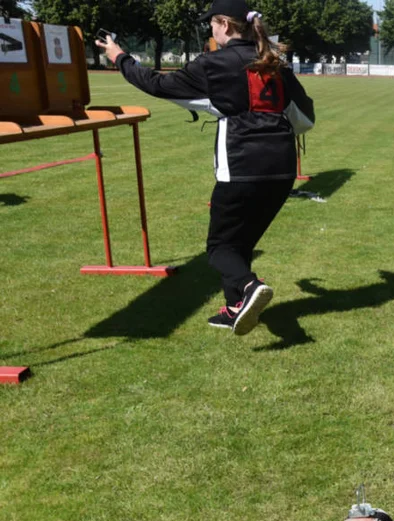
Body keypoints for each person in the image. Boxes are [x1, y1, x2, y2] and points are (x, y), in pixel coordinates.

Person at [96, 0, 315, 335]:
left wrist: (119, 57)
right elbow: (306, 115)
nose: (210, 31)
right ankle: (234, 308)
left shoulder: (215, 62)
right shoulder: (274, 63)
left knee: (219, 248)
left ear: (224, 24)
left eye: (211, 24)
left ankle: (248, 287)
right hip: (283, 167)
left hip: (242, 165)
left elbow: (157, 84)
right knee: (239, 243)